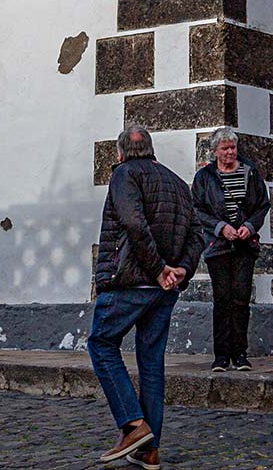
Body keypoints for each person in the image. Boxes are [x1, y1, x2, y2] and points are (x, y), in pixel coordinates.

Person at [87, 124, 206, 468]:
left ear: (120, 153)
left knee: (101, 344)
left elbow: (134, 224)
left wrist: (158, 269)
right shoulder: (177, 182)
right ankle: (149, 450)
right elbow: (197, 233)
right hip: (163, 289)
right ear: (152, 150)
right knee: (151, 364)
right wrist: (181, 269)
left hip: (130, 283)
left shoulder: (124, 174)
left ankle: (134, 426)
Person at [191, 126, 270, 373]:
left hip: (245, 246)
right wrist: (220, 227)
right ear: (215, 151)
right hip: (218, 246)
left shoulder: (250, 172)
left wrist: (249, 225)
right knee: (222, 300)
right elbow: (197, 209)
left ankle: (240, 354)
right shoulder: (205, 177)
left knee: (241, 299)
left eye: (233, 147)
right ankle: (221, 356)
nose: (230, 152)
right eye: (225, 148)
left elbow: (262, 205)